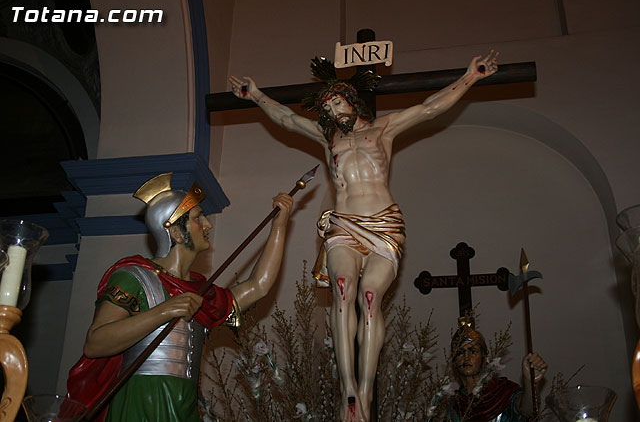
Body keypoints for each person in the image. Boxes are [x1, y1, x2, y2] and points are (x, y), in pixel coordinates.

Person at [229, 51, 498, 421]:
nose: (332, 114)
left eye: (337, 103)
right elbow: (288, 119)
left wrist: (470, 77)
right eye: (327, 110)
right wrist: (256, 95)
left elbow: (429, 108)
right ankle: (348, 389)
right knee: (343, 289)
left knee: (370, 297)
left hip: (383, 224)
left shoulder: (383, 129)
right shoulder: (329, 141)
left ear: (351, 100)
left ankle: (367, 390)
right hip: (343, 224)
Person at [66, 172, 293, 421]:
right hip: (143, 400)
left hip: (185, 401)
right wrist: (165, 310)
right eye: (198, 218)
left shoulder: (199, 291)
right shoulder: (134, 277)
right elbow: (96, 343)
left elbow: (258, 287)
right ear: (175, 232)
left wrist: (279, 226)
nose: (207, 225)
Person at [446, 321, 547, 421]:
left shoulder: (502, 391)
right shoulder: (455, 405)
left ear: (484, 358)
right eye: (460, 353)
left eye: (473, 351)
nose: (466, 357)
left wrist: (530, 382)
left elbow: (527, 410)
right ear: (454, 361)